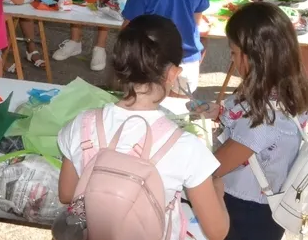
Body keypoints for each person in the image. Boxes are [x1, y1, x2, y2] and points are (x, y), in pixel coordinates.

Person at [56, 16, 229, 240]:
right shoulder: (186, 146)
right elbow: (217, 231)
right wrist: (218, 190)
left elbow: (67, 194)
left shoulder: (83, 124)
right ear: (173, 73)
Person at [205, 3, 308, 240]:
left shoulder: (262, 119)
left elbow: (213, 168)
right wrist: (221, 112)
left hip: (247, 211)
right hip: (267, 205)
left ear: (256, 57)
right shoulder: (287, 90)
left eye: (234, 52)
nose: (231, 59)